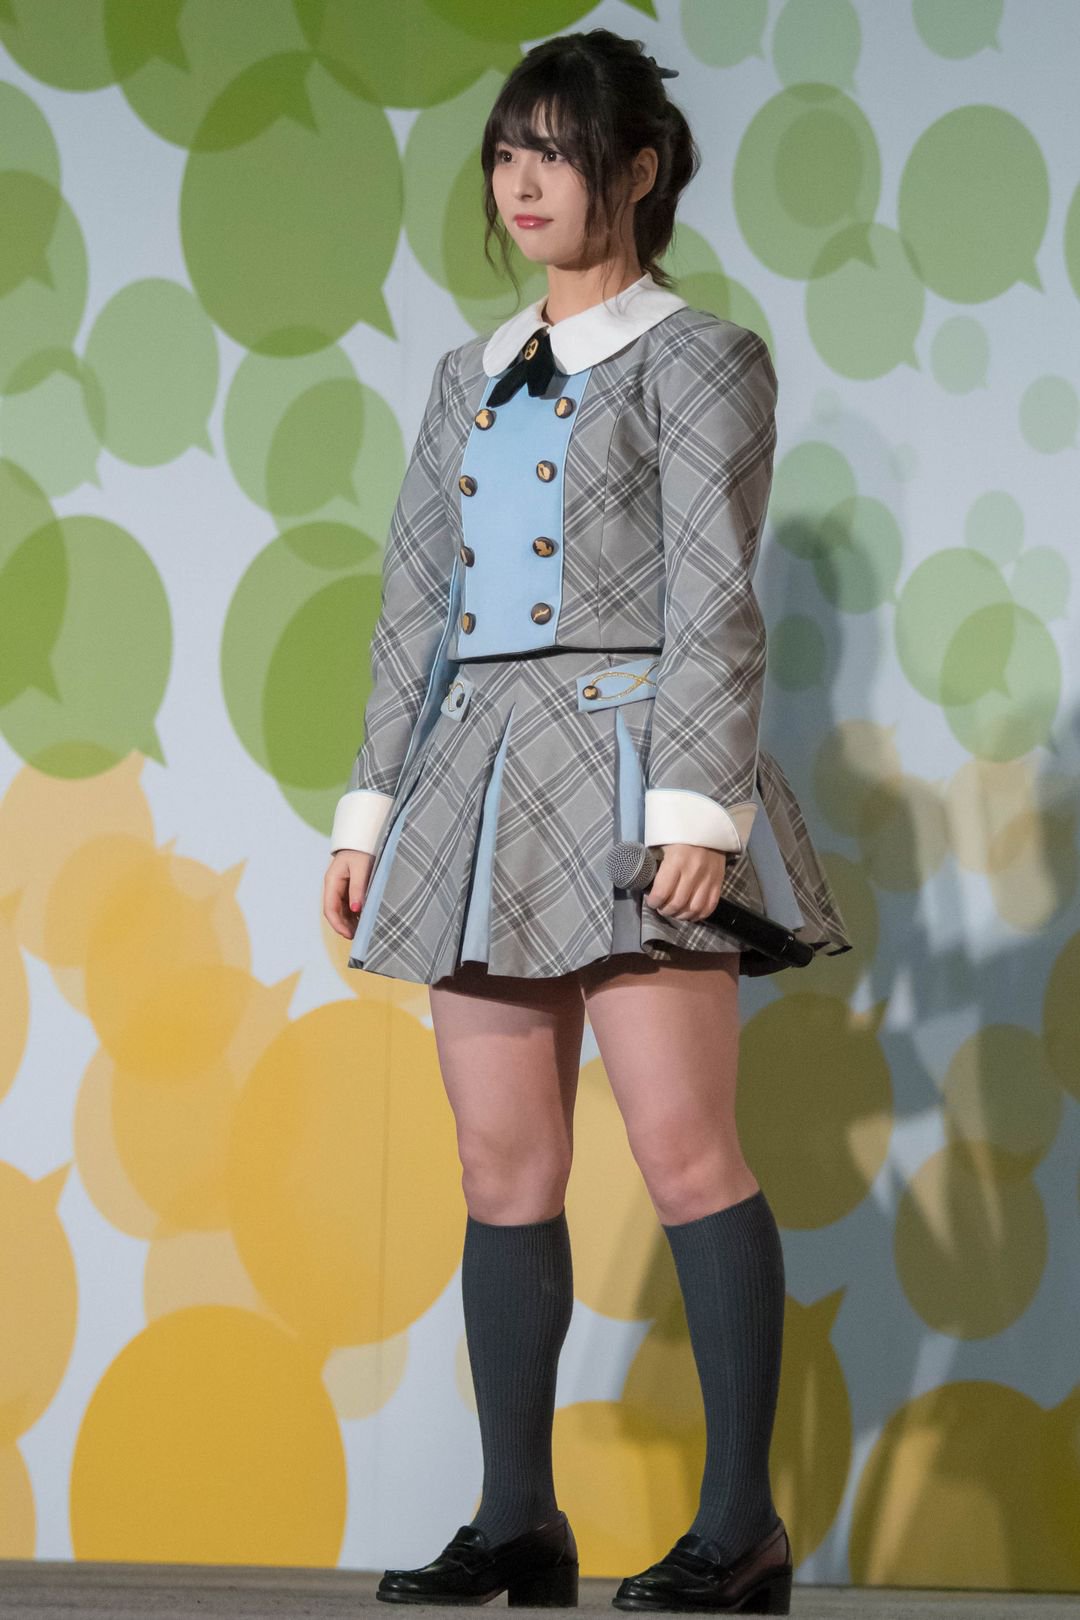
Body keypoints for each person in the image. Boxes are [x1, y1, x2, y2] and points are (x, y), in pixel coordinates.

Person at [323, 27, 851, 1615]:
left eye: (555, 148)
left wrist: (698, 802)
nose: (522, 178)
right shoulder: (464, 379)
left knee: (686, 1151)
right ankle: (517, 1519)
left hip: (634, 772)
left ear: (639, 168)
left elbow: (716, 597)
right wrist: (369, 812)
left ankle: (741, 1528)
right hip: (479, 784)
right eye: (506, 149)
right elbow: (415, 609)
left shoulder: (703, 358)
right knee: (503, 1165)